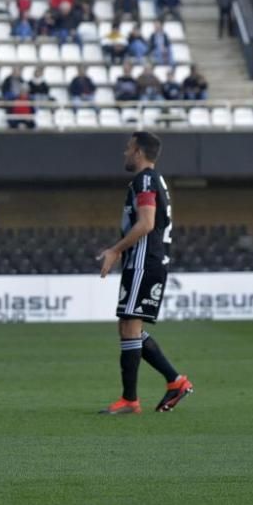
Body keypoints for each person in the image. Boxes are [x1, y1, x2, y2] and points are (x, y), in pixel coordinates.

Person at [97, 132, 193, 415]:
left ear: (138, 151)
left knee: (129, 326)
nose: (125, 153)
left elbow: (147, 222)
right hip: (143, 261)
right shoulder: (152, 179)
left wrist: (115, 250)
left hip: (144, 261)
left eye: (128, 148)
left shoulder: (146, 179)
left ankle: (130, 399)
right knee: (128, 327)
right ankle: (175, 382)